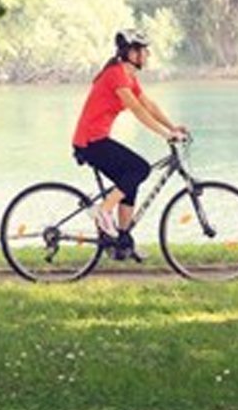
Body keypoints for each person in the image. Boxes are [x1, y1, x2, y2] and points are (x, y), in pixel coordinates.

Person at [72, 29, 188, 260]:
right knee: (140, 169)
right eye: (144, 50)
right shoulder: (116, 75)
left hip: (97, 139)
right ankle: (103, 212)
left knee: (129, 179)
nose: (148, 55)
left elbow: (149, 105)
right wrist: (165, 135)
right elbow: (136, 109)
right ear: (132, 53)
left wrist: (172, 127)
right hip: (90, 141)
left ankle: (121, 242)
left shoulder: (128, 77)